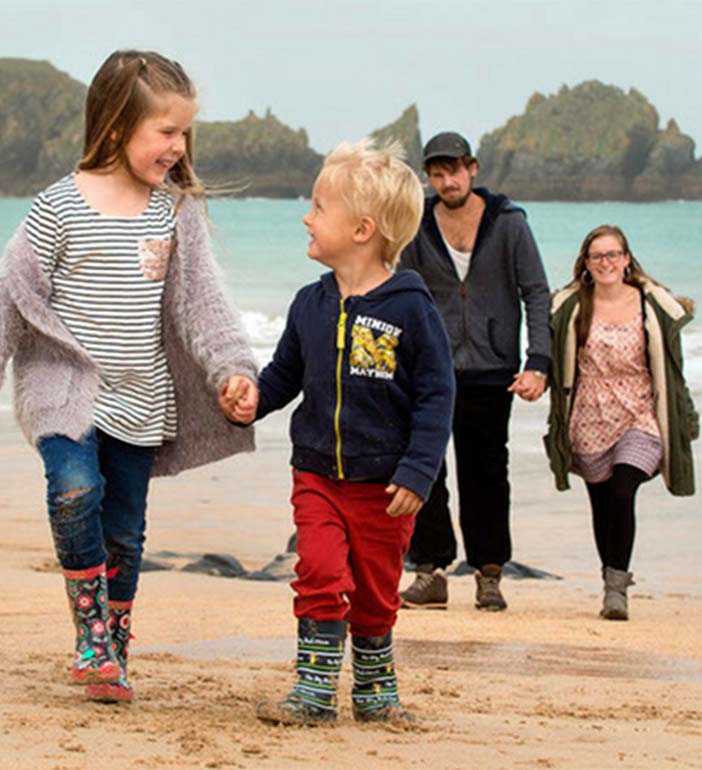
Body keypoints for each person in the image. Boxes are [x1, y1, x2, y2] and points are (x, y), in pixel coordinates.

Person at [0, 50, 258, 703]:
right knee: (74, 491)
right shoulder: (58, 208)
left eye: (184, 133)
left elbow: (203, 304)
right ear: (117, 127)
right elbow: (8, 299)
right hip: (66, 393)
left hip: (142, 400)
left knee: (124, 529)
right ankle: (90, 634)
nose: (178, 146)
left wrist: (232, 367)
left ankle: (112, 646)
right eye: (165, 131)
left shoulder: (174, 212)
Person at [222, 139, 454, 725]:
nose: (307, 215)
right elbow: (283, 376)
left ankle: (376, 694)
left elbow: (436, 393)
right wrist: (253, 400)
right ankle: (315, 691)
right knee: (320, 571)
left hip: (387, 486)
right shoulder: (309, 304)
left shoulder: (410, 308)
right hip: (318, 474)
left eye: (320, 207)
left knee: (376, 593)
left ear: (362, 230)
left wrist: (420, 470)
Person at [397, 131, 551, 612]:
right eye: (437, 174)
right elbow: (399, 290)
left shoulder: (509, 223)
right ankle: (430, 571)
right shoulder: (417, 225)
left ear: (473, 169)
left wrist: (538, 362)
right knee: (426, 469)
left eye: (454, 171)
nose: (447, 182)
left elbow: (536, 292)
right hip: (428, 368)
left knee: (486, 473)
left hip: (491, 367)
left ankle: (488, 572)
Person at [544, 224, 699, 620]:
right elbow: (551, 357)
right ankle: (609, 581)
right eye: (598, 256)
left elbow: (673, 369)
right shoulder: (571, 306)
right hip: (589, 413)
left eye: (613, 254)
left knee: (622, 490)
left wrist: (684, 416)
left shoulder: (651, 304)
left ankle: (619, 590)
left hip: (640, 410)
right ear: (587, 263)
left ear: (627, 259)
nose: (606, 262)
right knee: (601, 502)